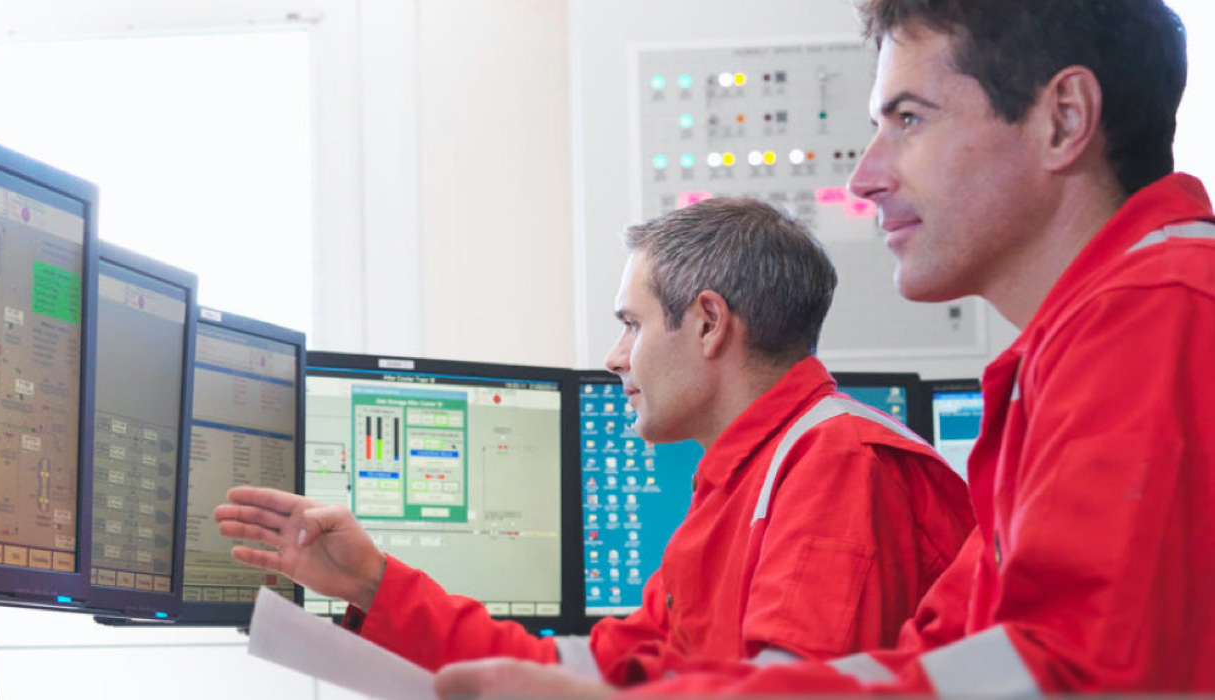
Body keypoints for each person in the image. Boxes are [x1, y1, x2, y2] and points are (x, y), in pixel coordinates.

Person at [434, 0, 1215, 695]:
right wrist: (375, 588)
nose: (868, 174)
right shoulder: (1085, 346)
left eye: (908, 119)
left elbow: (1075, 675)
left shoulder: (1161, 314)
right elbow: (950, 656)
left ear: (1064, 118)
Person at [214, 197, 974, 683]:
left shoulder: (837, 467)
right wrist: (372, 583)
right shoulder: (745, 487)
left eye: (631, 325)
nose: (615, 358)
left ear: (709, 323)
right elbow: (585, 669)